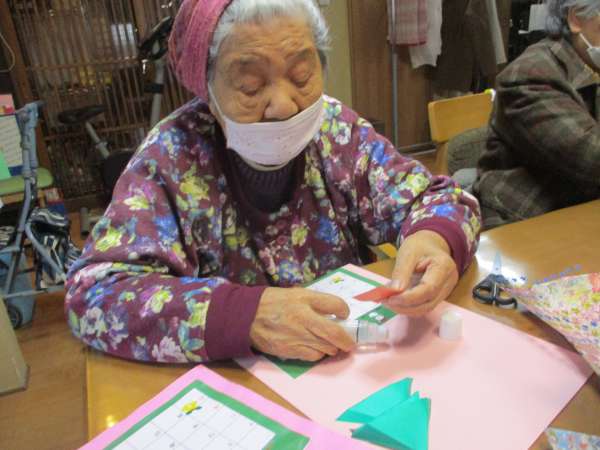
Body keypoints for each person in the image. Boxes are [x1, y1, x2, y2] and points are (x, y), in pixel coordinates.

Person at [65, 0, 481, 363]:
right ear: (207, 90)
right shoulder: (172, 158)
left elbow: (442, 198)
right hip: (238, 386)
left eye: (301, 76)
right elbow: (94, 296)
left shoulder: (337, 132)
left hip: (349, 364)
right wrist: (246, 317)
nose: (282, 106)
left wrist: (433, 241)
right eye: (250, 86)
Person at [474, 0, 600, 229]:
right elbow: (593, 159)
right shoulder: (530, 75)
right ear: (576, 19)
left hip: (579, 212)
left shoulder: (591, 65)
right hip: (520, 224)